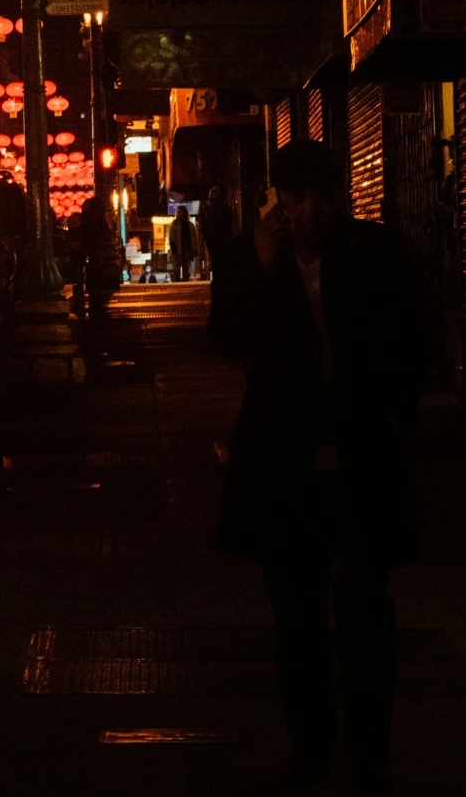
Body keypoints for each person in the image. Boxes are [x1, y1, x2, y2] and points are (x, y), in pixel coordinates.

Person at [208, 139, 423, 793]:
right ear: (278, 200)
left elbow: (408, 335)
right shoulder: (251, 257)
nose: (311, 210)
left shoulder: (372, 250)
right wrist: (263, 269)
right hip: (284, 457)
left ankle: (368, 750)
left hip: (357, 449)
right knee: (294, 615)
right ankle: (310, 745)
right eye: (297, 197)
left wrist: (393, 412)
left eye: (322, 195)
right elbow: (226, 338)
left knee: (364, 608)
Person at [199, 180, 235, 267]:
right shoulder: (209, 207)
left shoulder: (211, 207)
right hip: (215, 234)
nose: (211, 195)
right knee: (217, 255)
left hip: (216, 234)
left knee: (217, 255)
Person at [169, 203, 197, 282]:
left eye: (179, 212)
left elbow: (194, 238)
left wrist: (195, 249)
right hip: (178, 248)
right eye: (177, 212)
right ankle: (177, 279)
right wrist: (174, 249)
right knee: (176, 267)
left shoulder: (190, 225)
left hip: (187, 248)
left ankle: (185, 278)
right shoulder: (174, 224)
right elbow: (172, 237)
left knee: (186, 267)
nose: (178, 213)